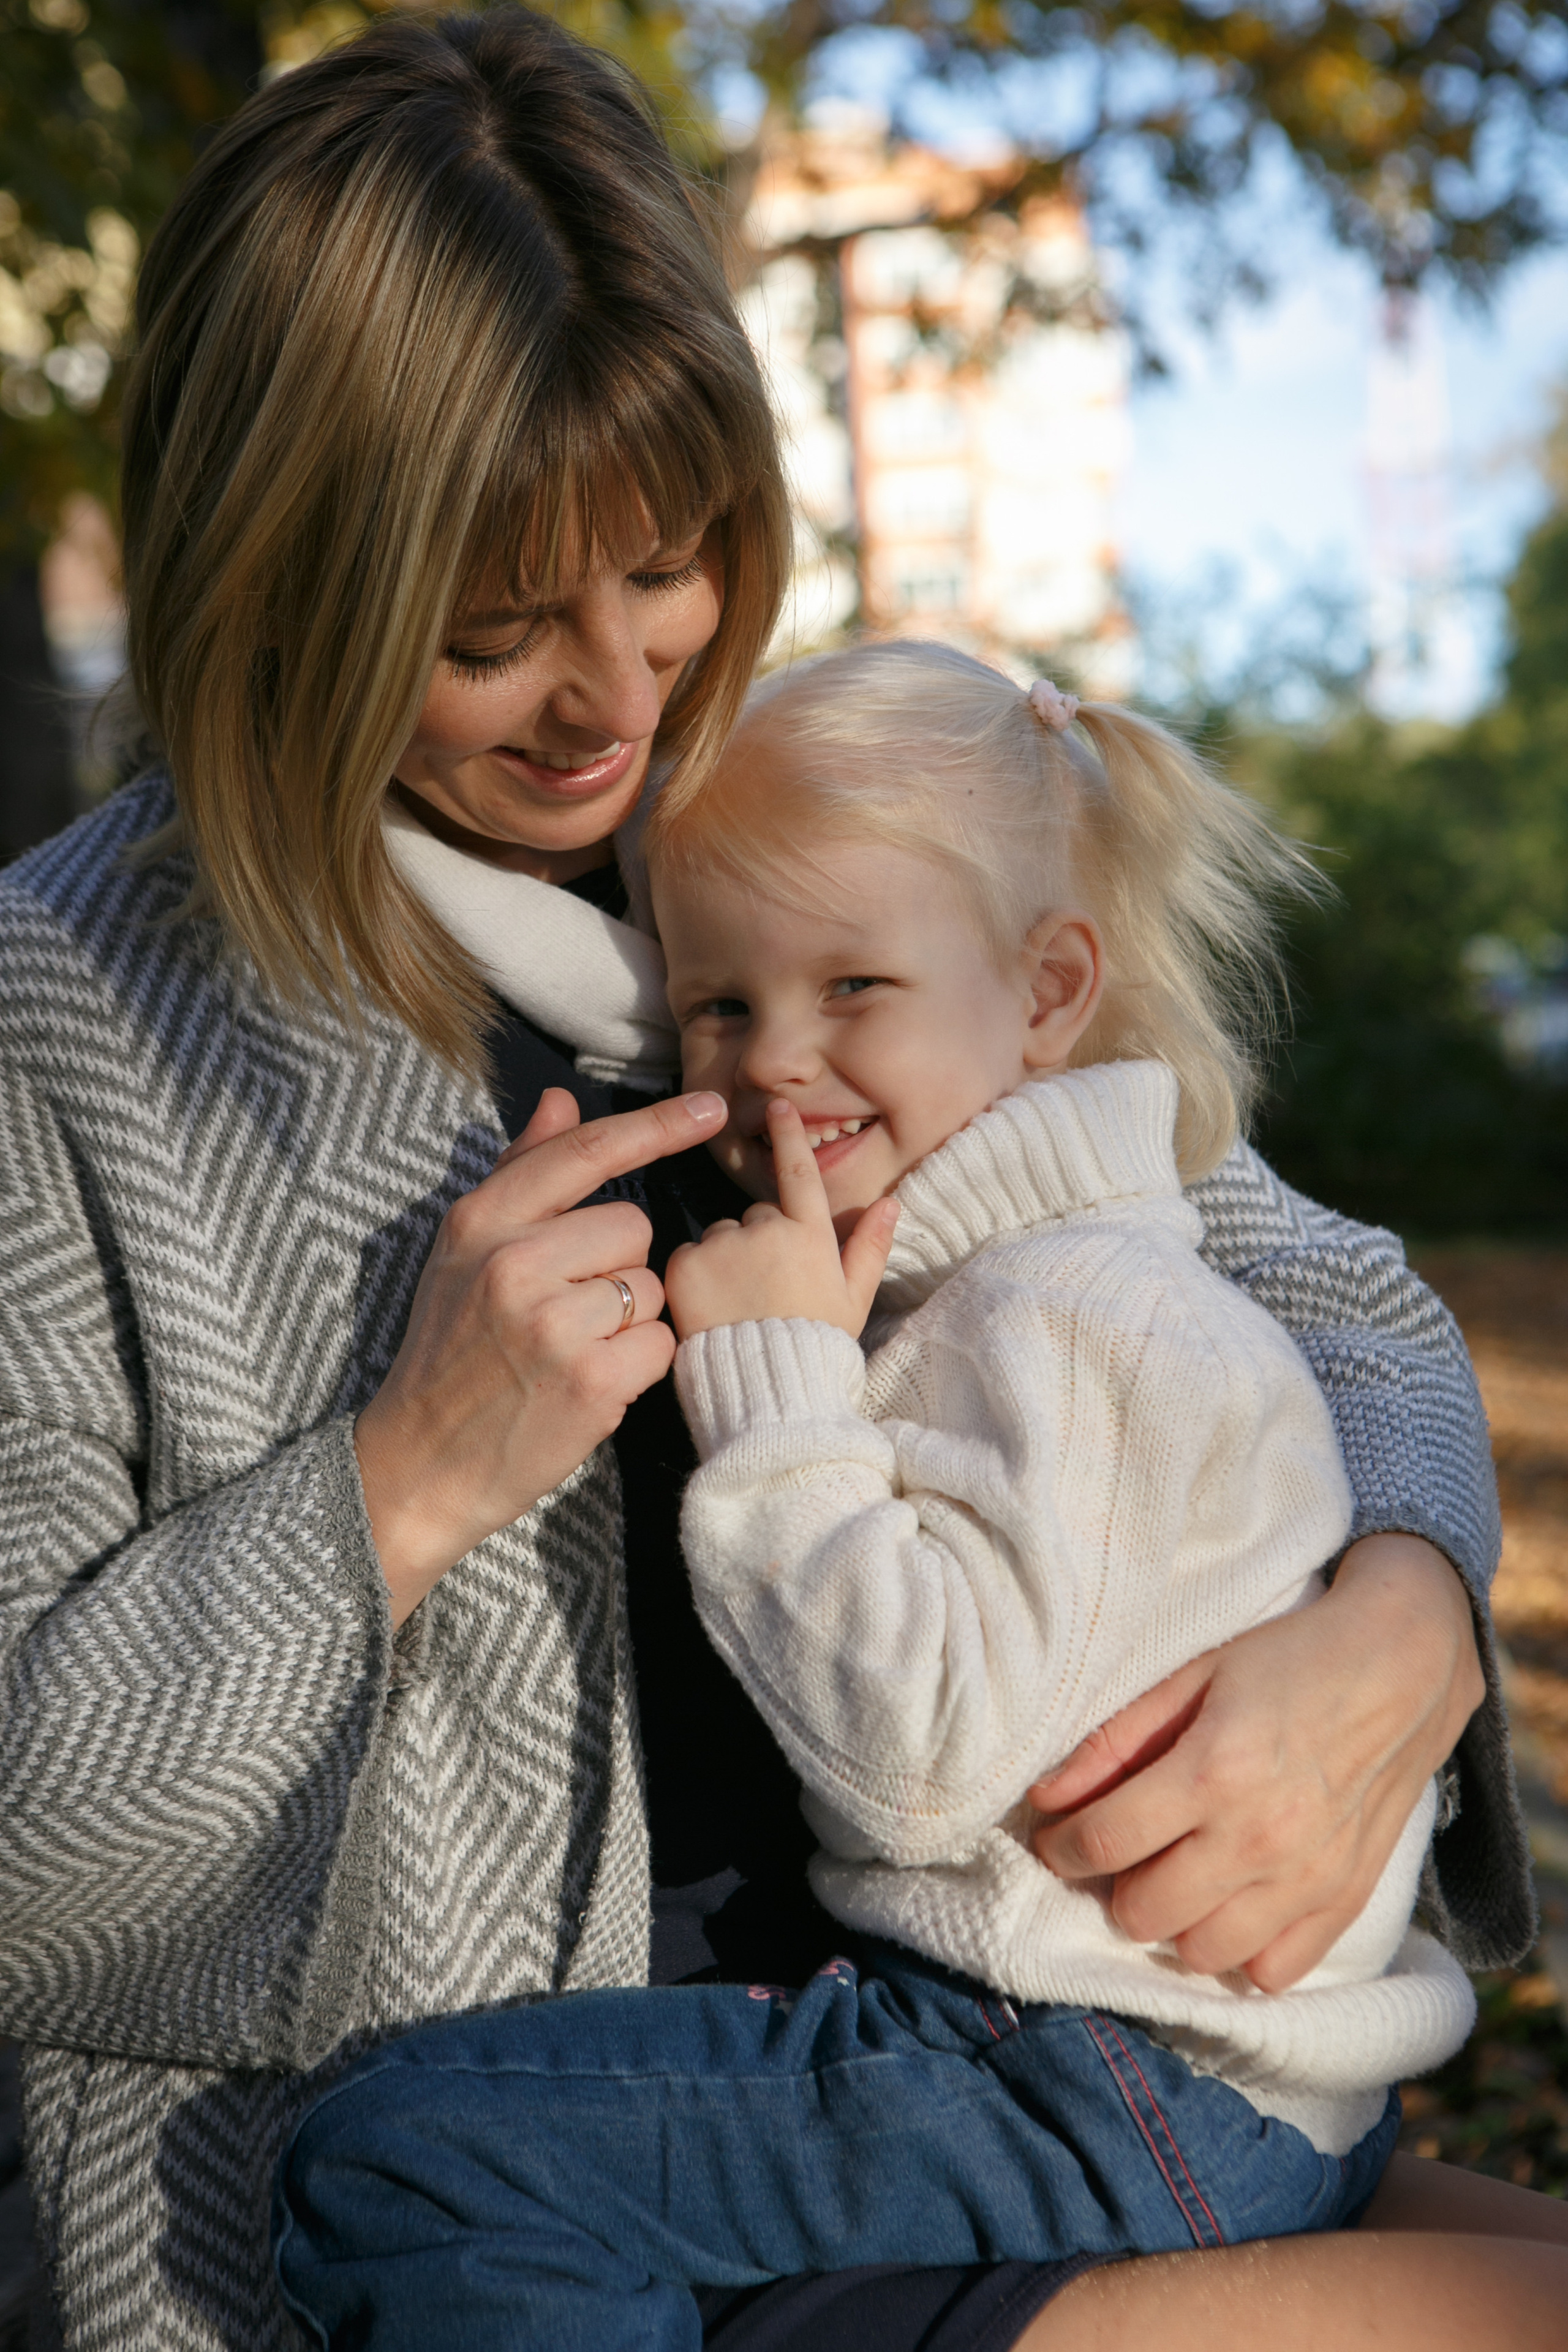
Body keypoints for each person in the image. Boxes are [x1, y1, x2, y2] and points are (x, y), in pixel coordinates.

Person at [0, 9, 1528, 2348]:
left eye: (671, 565)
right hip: (509, 2222)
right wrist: (396, 1488)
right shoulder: (69, 1025)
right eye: (491, 629)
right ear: (278, 576)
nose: (616, 698)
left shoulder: (779, 835)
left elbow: (1287, 1259)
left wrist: (1400, 1623)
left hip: (1017, 2062)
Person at [271, 646, 1566, 2351]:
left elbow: (915, 1758)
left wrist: (781, 1392)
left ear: (1049, 994)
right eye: (719, 1006)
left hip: (1092, 2070)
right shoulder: (1015, 1242)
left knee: (406, 2161)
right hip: (1147, 2065)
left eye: (855, 988)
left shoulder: (1066, 1307)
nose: (770, 1068)